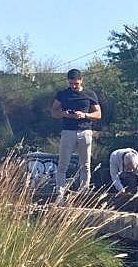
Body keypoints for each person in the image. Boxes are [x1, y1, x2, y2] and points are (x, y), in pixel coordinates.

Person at [50, 68, 101, 199]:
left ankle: (84, 192)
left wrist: (85, 115)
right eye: (71, 83)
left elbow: (98, 114)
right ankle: (60, 193)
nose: (73, 86)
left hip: (85, 131)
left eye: (76, 84)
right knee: (63, 164)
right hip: (68, 131)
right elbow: (54, 111)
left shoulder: (90, 94)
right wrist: (64, 113)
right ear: (68, 82)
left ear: (81, 80)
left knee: (85, 164)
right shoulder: (62, 94)